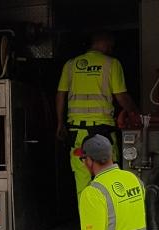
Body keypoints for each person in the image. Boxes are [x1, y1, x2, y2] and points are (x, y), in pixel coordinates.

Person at [56, 32, 140, 197]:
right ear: (106, 43)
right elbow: (121, 96)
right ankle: (108, 213)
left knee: (83, 181)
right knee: (108, 181)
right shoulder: (112, 64)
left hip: (78, 135)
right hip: (103, 134)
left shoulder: (70, 65)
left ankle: (87, 214)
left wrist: (60, 122)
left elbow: (60, 94)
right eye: (111, 45)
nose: (111, 49)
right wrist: (135, 112)